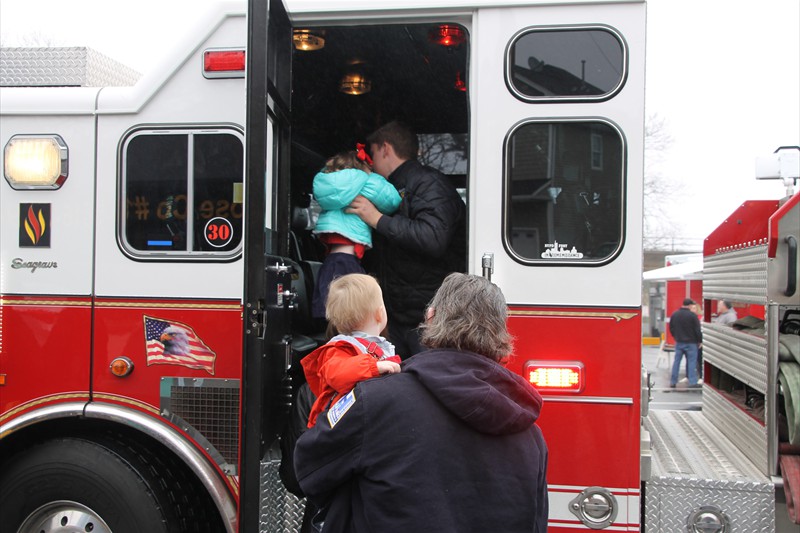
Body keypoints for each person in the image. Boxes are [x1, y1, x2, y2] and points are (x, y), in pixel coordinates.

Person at [294, 273, 549, 533]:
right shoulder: (531, 436)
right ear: (501, 334)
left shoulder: (375, 400)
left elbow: (308, 468)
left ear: (430, 317)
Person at [347, 121, 466, 357]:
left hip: (426, 317)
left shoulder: (429, 184)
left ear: (385, 149)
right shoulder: (396, 187)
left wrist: (377, 219)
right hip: (402, 313)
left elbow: (433, 237)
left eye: (372, 154)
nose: (371, 162)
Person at [310, 148, 402, 320]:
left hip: (332, 258)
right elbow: (392, 201)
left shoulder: (330, 188)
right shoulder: (365, 183)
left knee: (332, 314)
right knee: (352, 315)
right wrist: (369, 174)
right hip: (348, 260)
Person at [302, 273, 402, 428]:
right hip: (346, 430)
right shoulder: (339, 348)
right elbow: (337, 373)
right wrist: (373, 367)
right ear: (380, 313)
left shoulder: (380, 347)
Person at [669, 298, 703, 389]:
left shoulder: (675, 314)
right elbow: (697, 330)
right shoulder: (692, 316)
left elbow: (671, 327)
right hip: (691, 343)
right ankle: (692, 381)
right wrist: (700, 340)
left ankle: (673, 381)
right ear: (689, 305)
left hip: (679, 342)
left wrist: (675, 336)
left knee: (676, 362)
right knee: (691, 362)